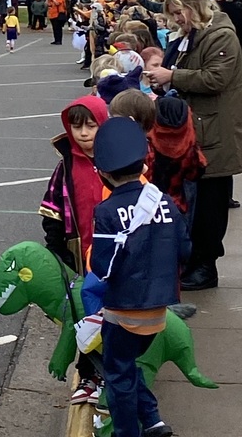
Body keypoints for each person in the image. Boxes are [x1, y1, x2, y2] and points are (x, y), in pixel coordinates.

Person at [91, 116, 188, 437]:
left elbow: (103, 269)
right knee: (127, 364)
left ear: (104, 173)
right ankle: (153, 420)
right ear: (142, 164)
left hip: (123, 312)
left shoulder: (106, 212)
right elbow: (184, 249)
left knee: (117, 375)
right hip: (159, 310)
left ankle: (127, 432)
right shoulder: (165, 203)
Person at [147, 0, 242, 289]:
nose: (176, 20)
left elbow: (217, 78)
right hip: (198, 129)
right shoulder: (194, 36)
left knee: (211, 206)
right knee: (195, 204)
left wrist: (172, 75)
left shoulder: (222, 36)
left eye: (178, 13)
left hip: (214, 132)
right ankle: (193, 262)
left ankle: (205, 267)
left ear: (192, 8)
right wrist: (164, 79)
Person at [39, 94, 109, 406]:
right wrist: (55, 247)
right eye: (76, 127)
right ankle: (90, 373)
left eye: (90, 126)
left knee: (114, 313)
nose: (83, 134)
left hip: (113, 250)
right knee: (85, 314)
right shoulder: (66, 164)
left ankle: (115, 370)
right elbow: (52, 207)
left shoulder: (115, 159)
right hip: (79, 252)